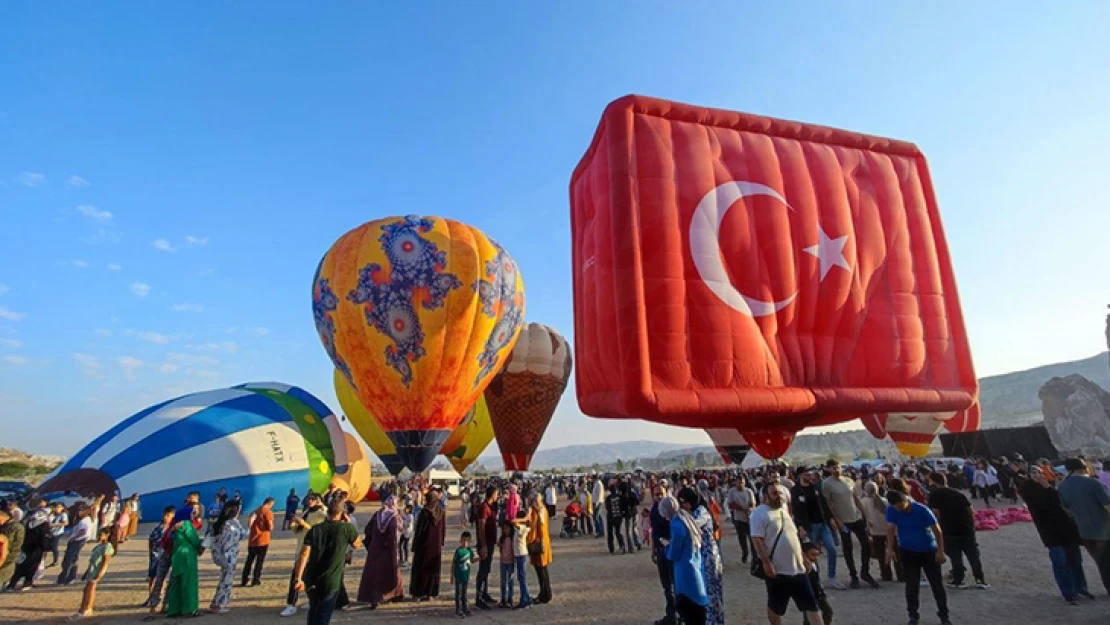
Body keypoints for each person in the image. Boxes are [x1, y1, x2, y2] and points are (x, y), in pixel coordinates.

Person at [1020, 465, 1093, 604]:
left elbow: (1061, 502)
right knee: (1061, 562)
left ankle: (1081, 587)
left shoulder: (1051, 486)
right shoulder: (1027, 489)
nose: (1037, 475)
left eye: (1039, 472)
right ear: (1029, 475)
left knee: (1075, 560)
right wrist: (1047, 488)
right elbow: (1041, 505)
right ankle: (1069, 593)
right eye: (1033, 473)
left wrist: (1049, 487)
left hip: (1066, 528)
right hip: (1050, 530)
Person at [751, 483, 822, 625]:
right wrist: (766, 563)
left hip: (798, 570)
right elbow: (757, 539)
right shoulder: (759, 513)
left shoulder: (784, 511)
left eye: (780, 493)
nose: (779, 496)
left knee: (812, 606)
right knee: (775, 608)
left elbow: (793, 537)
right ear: (765, 496)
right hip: (778, 572)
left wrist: (803, 558)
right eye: (774, 493)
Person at [885, 491, 950, 625]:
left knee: (936, 585)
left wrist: (941, 550)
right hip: (908, 551)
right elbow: (890, 529)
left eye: (900, 505)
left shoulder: (922, 510)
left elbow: (937, 530)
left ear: (906, 500)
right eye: (896, 506)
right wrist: (890, 548)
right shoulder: (891, 510)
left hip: (928, 551)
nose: (899, 509)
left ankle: (944, 615)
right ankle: (913, 615)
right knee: (911, 586)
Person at [293, 498, 362, 625]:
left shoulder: (315, 529)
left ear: (328, 513)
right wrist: (349, 523)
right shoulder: (346, 529)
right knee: (324, 615)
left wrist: (298, 578)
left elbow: (303, 554)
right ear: (342, 514)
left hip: (312, 578)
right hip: (331, 580)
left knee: (313, 612)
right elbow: (357, 544)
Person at [1056, 457, 1110, 595]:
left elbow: (1066, 510)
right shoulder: (1094, 484)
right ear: (1084, 467)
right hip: (1105, 531)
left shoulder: (1062, 487)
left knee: (1103, 566)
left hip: (1085, 532)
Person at [926, 472, 988, 589]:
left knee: (955, 556)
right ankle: (980, 579)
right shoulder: (957, 493)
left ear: (933, 481)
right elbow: (970, 510)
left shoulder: (934, 495)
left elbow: (935, 513)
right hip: (966, 528)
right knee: (973, 555)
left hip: (949, 528)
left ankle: (958, 579)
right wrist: (971, 525)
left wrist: (936, 527)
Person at [823, 460, 877, 589]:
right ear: (829, 469)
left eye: (838, 467)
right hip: (843, 520)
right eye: (833, 468)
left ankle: (865, 572)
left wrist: (866, 515)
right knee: (848, 549)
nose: (836, 469)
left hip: (856, 517)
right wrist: (836, 520)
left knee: (866, 544)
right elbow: (828, 504)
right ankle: (853, 575)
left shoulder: (848, 481)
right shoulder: (827, 484)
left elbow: (856, 499)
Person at [659, 494, 709, 625]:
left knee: (690, 614)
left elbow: (674, 553)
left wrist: (666, 545)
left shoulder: (676, 524)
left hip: (685, 572)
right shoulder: (686, 519)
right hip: (696, 568)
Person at [791, 468, 840, 590]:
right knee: (811, 554)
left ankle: (832, 577)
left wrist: (831, 519)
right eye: (807, 474)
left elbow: (823, 504)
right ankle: (815, 580)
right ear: (800, 475)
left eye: (810, 474)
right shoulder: (796, 490)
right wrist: (800, 526)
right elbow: (797, 510)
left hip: (822, 524)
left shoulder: (815, 487)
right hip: (810, 526)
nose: (809, 476)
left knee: (832, 549)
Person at [280, 493, 327, 617]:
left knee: (299, 576)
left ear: (319, 501)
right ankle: (302, 601)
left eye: (313, 499)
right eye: (308, 499)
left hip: (311, 551)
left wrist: (304, 523)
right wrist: (294, 523)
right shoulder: (306, 512)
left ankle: (292, 604)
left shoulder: (321, 515)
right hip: (300, 548)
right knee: (302, 576)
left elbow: (317, 532)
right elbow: (297, 532)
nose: (310, 501)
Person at [684, 487, 723, 625]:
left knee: (711, 594)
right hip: (702, 557)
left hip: (709, 558)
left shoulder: (701, 512)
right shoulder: (695, 512)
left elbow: (692, 527)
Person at [357, 495, 404, 608]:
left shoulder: (377, 515)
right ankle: (393, 595)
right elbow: (394, 536)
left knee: (374, 574)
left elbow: (367, 529)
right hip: (388, 550)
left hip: (375, 549)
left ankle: (373, 599)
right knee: (390, 572)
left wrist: (372, 541)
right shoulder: (394, 517)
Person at [65, 527, 114, 621]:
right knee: (87, 589)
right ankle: (85, 608)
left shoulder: (107, 546)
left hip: (96, 570)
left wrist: (100, 573)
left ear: (107, 535)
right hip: (92, 569)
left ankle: (86, 608)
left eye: (101, 535)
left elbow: (105, 561)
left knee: (90, 589)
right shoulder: (99, 546)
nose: (99, 536)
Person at [166, 503, 204, 618]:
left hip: (176, 557)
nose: (194, 515)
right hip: (187, 558)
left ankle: (173, 609)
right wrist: (202, 546)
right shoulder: (187, 525)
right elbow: (194, 540)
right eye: (192, 513)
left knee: (176, 584)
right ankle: (190, 609)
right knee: (189, 584)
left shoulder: (175, 527)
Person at [410, 490, 447, 601]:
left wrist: (414, 545)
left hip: (423, 545)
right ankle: (431, 593)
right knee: (433, 569)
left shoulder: (424, 513)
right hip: (436, 546)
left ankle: (417, 593)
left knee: (420, 568)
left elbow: (419, 531)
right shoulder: (441, 512)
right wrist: (441, 542)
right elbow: (443, 530)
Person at [6, 498, 50, 592]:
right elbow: (44, 537)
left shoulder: (27, 518)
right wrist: (45, 548)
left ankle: (12, 585)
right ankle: (26, 583)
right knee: (31, 566)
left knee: (20, 565)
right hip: (35, 548)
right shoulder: (42, 523)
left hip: (26, 546)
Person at [860, 482, 898, 582]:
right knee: (896, 553)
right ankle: (901, 574)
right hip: (890, 531)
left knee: (881, 556)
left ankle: (886, 575)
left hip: (875, 532)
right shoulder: (885, 501)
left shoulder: (863, 502)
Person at [474, 486, 499, 610]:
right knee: (483, 570)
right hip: (485, 543)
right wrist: (483, 545)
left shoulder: (490, 507)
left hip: (490, 542)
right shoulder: (484, 508)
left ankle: (484, 593)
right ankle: (479, 598)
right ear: (492, 495)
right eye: (496, 494)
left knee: (487, 569)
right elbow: (481, 527)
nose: (497, 496)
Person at [527, 492, 553, 604]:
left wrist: (528, 541)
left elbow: (534, 528)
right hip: (544, 542)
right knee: (543, 570)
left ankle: (544, 594)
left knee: (541, 571)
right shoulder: (544, 510)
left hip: (538, 543)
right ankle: (546, 593)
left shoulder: (537, 511)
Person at [242, 497, 274, 587]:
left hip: (252, 540)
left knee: (249, 560)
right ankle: (255, 579)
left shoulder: (255, 511)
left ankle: (244, 578)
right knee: (259, 561)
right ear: (271, 503)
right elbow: (270, 526)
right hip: (263, 539)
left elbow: (249, 523)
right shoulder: (268, 512)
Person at [802, 542, 834, 625]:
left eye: (817, 555)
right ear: (804, 554)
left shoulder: (815, 564)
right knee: (809, 618)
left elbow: (818, 580)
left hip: (819, 595)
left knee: (828, 612)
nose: (815, 558)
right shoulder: (803, 568)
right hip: (809, 596)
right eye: (813, 555)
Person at [727, 475, 756, 563]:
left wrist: (749, 510)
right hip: (738, 519)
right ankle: (745, 553)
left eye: (742, 482)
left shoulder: (748, 491)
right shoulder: (732, 491)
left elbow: (753, 503)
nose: (740, 484)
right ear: (736, 482)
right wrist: (742, 509)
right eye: (739, 482)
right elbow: (730, 504)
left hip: (749, 518)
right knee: (742, 538)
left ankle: (755, 556)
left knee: (752, 539)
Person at [451, 531, 479, 617]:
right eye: (463, 540)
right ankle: (458, 610)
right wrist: (452, 576)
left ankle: (465, 608)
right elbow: (454, 564)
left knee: (464, 593)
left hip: (465, 576)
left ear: (470, 541)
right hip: (458, 576)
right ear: (460, 540)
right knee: (458, 594)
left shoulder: (469, 551)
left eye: (467, 541)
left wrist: (478, 559)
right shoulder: (458, 551)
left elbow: (471, 560)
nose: (465, 542)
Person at [0, 507, 24, 588]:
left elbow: (17, 546)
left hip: (7, 561)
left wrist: (7, 560)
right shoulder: (3, 526)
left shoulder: (17, 527)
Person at [497, 520, 516, 608]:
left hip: (510, 562)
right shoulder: (502, 539)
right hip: (503, 562)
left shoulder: (512, 538)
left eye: (507, 528)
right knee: (503, 581)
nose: (505, 530)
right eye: (504, 529)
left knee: (510, 580)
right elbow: (500, 547)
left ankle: (510, 598)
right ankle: (503, 598)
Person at [606, 482, 626, 554]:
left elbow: (607, 507)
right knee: (618, 532)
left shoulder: (609, 498)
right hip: (618, 517)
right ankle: (622, 545)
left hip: (611, 517)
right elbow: (623, 506)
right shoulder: (619, 497)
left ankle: (611, 548)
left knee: (610, 533)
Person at [47, 502, 69, 567]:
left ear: (62, 508)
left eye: (59, 507)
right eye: (56, 507)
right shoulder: (53, 514)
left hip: (58, 532)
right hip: (51, 532)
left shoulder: (63, 514)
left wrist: (55, 524)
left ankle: (55, 561)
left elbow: (66, 523)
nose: (57, 508)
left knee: (54, 546)